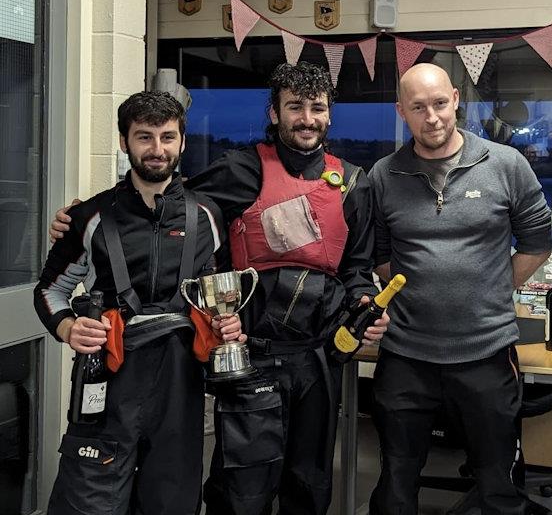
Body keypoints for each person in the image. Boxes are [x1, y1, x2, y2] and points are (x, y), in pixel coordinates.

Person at [50, 61, 387, 514]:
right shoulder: (238, 171)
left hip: (318, 356)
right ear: (274, 113)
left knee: (309, 482)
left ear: (329, 115)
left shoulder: (352, 182)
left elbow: (357, 268)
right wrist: (84, 217)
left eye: (317, 108)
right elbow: (167, 195)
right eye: (294, 107)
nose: (307, 118)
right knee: (242, 487)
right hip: (251, 354)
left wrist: (365, 304)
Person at [34, 91, 242, 514]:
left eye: (167, 137)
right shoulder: (89, 217)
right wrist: (69, 328)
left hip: (180, 385)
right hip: (107, 381)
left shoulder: (208, 217)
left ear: (182, 141)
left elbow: (223, 297)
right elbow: (49, 291)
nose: (157, 149)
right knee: (89, 500)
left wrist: (227, 325)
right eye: (144, 137)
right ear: (123, 140)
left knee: (172, 501)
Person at [367, 63, 552, 515]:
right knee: (396, 479)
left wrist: (488, 289)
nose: (431, 117)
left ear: (455, 99)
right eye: (417, 108)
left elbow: (536, 243)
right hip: (406, 355)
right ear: (401, 112)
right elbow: (379, 253)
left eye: (439, 104)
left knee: (498, 483)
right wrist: (420, 291)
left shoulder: (507, 165)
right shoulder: (383, 175)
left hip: (487, 353)